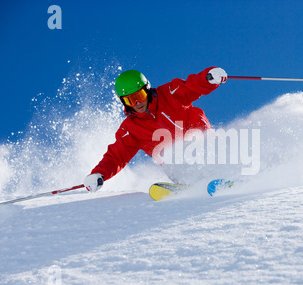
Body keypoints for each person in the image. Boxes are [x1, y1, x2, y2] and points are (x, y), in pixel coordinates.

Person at [84, 67, 228, 192]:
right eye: (130, 100)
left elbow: (192, 86)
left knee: (196, 121)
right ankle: (189, 183)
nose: (137, 103)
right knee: (168, 155)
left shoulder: (170, 93)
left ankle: (223, 171)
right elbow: (116, 156)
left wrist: (208, 78)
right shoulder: (130, 129)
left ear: (147, 89)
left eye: (139, 96)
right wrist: (99, 174)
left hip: (203, 143)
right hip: (179, 165)